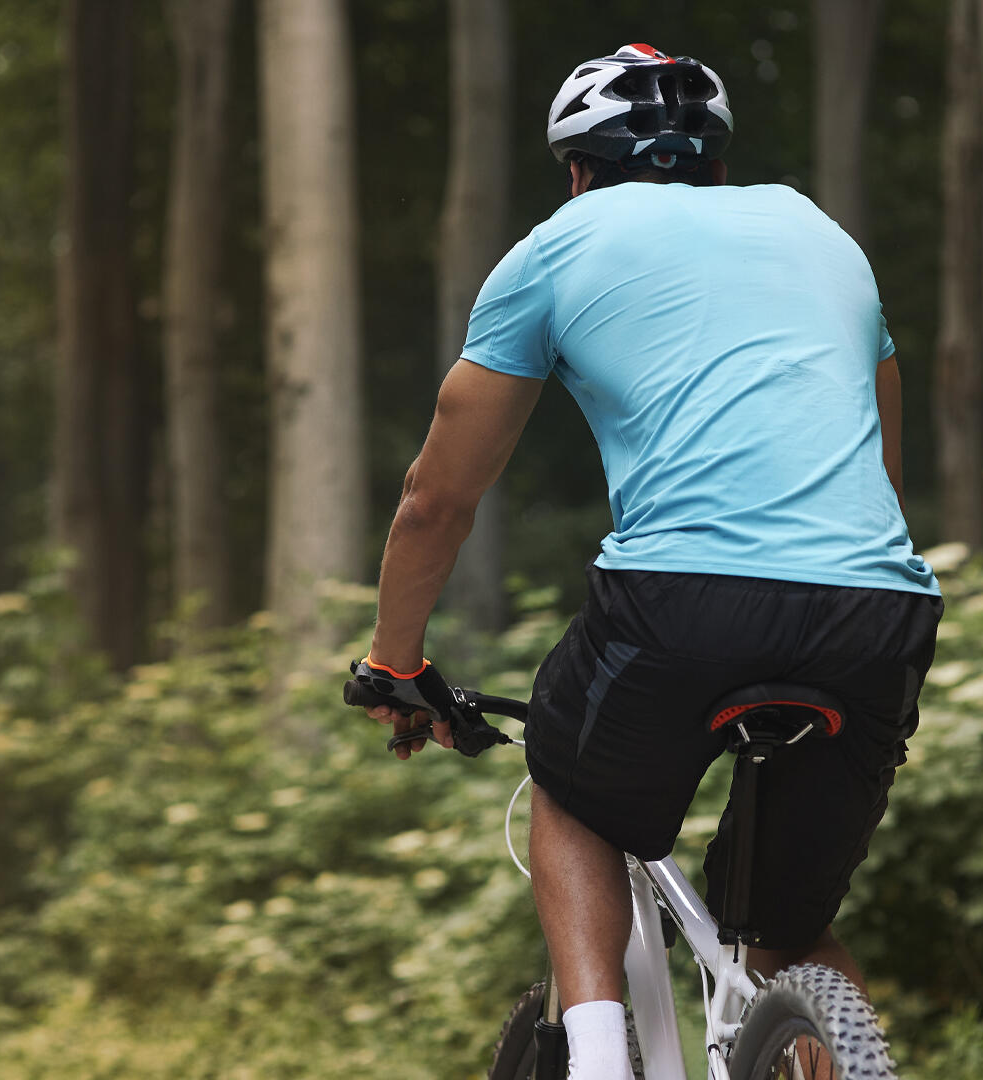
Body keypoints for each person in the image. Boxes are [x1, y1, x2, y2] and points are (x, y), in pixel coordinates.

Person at [352, 43, 943, 1080]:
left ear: (577, 169)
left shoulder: (559, 243)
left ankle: (596, 1060)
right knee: (788, 932)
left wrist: (395, 664)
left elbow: (436, 498)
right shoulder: (817, 230)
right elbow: (882, 463)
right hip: (876, 609)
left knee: (571, 784)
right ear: (716, 166)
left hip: (685, 600)